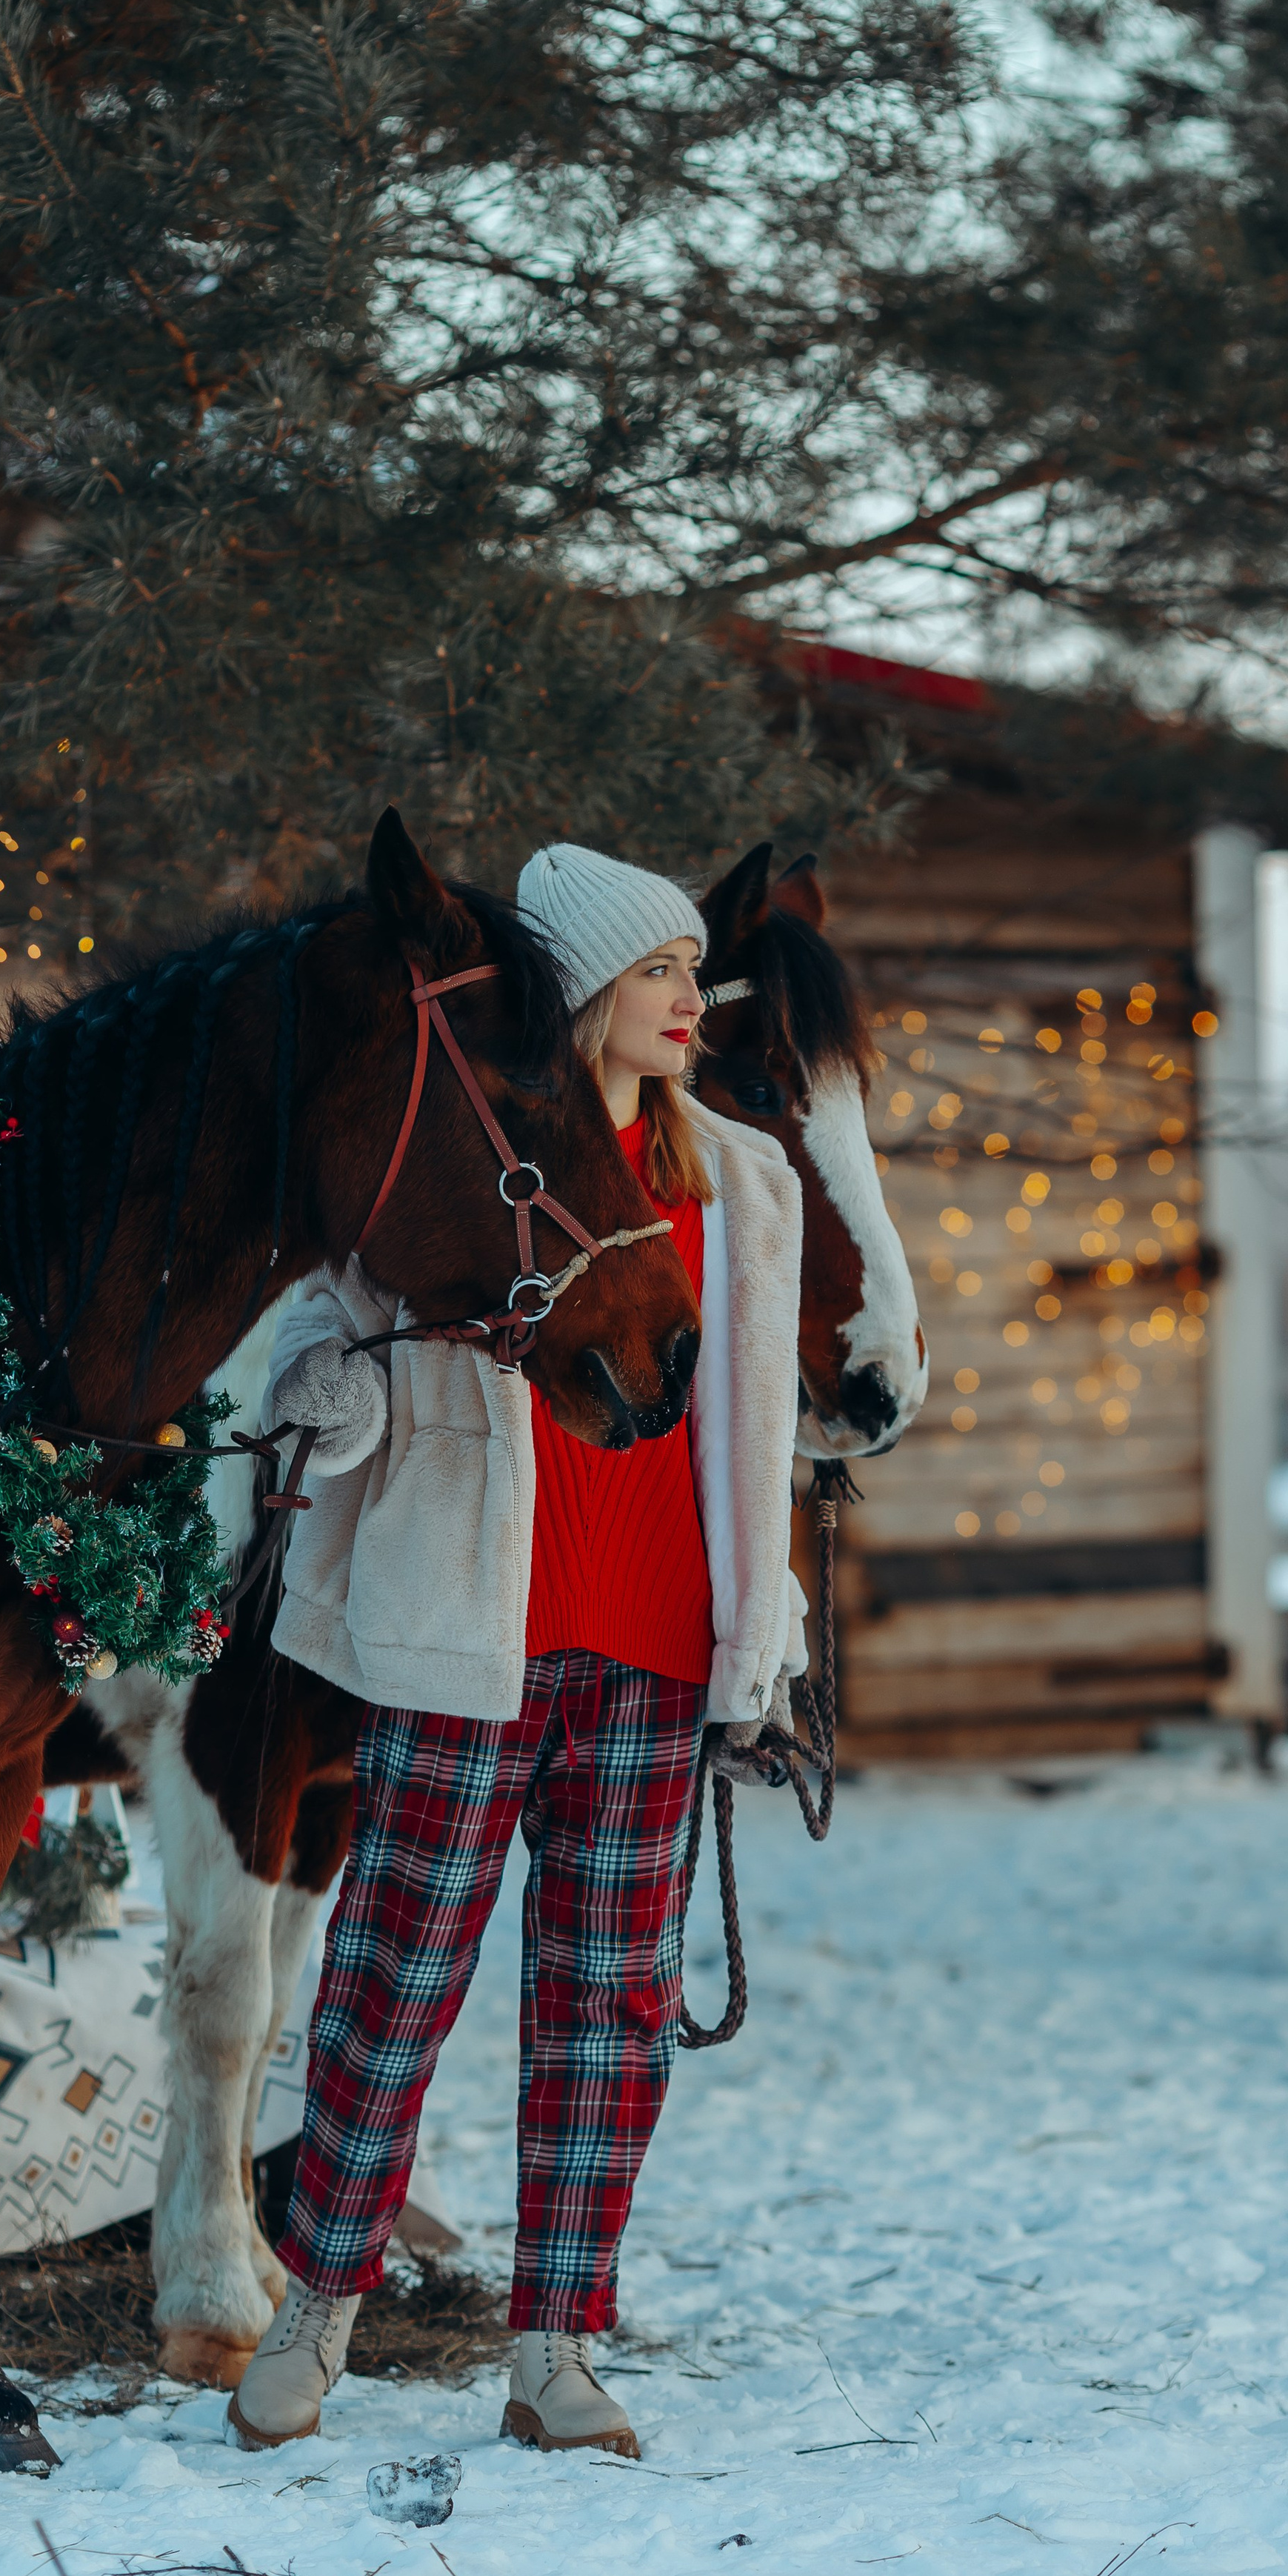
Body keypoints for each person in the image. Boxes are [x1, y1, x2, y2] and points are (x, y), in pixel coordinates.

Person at [228, 842, 804, 2461]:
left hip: (648, 1646)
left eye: (696, 973)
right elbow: (313, 1349)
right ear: (580, 996)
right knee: (392, 1982)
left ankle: (553, 2347)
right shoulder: (451, 1153)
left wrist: (763, 1625)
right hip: (464, 1633)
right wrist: (331, 1405)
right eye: (657, 975)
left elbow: (760, 1437)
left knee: (605, 2004)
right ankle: (316, 2311)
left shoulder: (738, 1183)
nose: (692, 1003)